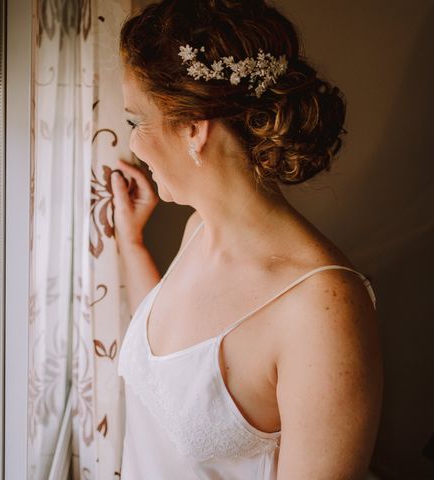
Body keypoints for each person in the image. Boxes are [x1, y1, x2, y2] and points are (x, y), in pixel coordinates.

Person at [110, 1, 383, 478]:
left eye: (137, 122)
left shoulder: (324, 308)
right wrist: (131, 242)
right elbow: (173, 375)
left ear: (194, 129)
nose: (132, 143)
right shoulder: (199, 231)